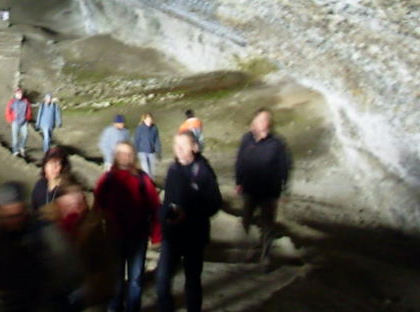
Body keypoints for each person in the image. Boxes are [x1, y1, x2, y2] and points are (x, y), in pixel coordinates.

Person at [0, 181, 82, 312]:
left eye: (18, 215)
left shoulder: (45, 232)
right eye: (9, 217)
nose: (14, 221)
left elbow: (68, 269)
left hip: (44, 302)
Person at [156, 132, 222, 312]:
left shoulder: (204, 171)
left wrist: (189, 213)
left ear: (194, 147)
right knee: (162, 280)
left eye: (182, 145)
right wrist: (164, 216)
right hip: (172, 234)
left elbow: (215, 203)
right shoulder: (173, 170)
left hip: (194, 235)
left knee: (192, 281)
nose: (177, 149)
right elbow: (168, 200)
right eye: (176, 145)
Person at [94, 141, 161, 312]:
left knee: (135, 278)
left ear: (133, 157)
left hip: (137, 236)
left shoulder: (142, 179)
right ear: (116, 156)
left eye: (127, 153)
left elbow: (154, 206)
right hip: (114, 235)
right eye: (121, 153)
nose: (124, 157)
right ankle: (115, 306)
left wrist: (156, 234)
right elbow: (97, 204)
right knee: (116, 277)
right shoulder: (107, 179)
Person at [235, 108, 291, 267]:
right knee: (246, 221)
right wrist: (238, 181)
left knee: (268, 225)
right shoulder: (247, 139)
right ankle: (248, 249)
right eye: (260, 120)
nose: (263, 123)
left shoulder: (278, 143)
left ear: (270, 123)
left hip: (269, 191)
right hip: (250, 189)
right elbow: (240, 161)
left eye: (266, 120)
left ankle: (265, 256)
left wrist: (285, 189)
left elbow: (285, 166)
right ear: (254, 122)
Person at [53, 184, 114, 311]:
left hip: (89, 293)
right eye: (68, 206)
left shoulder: (93, 229)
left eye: (77, 204)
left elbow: (101, 267)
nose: (73, 209)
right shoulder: (53, 228)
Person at [31, 146, 72, 213]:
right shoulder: (39, 185)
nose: (54, 167)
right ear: (45, 166)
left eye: (58, 164)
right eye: (51, 163)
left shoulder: (67, 190)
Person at [4, 88, 32, 157]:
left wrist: (27, 117)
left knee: (25, 135)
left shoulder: (25, 101)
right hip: (15, 121)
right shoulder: (12, 102)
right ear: (15, 94)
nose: (19, 95)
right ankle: (15, 150)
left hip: (24, 121)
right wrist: (10, 119)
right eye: (18, 94)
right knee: (15, 137)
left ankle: (22, 147)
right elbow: (8, 111)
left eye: (20, 94)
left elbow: (29, 110)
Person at [133, 112, 162, 178]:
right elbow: (136, 140)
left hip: (151, 151)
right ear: (144, 120)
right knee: (146, 171)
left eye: (150, 119)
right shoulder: (139, 128)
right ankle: (147, 185)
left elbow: (157, 141)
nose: (149, 121)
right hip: (142, 152)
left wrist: (159, 152)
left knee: (153, 171)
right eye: (148, 119)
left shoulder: (154, 128)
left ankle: (152, 185)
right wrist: (135, 152)